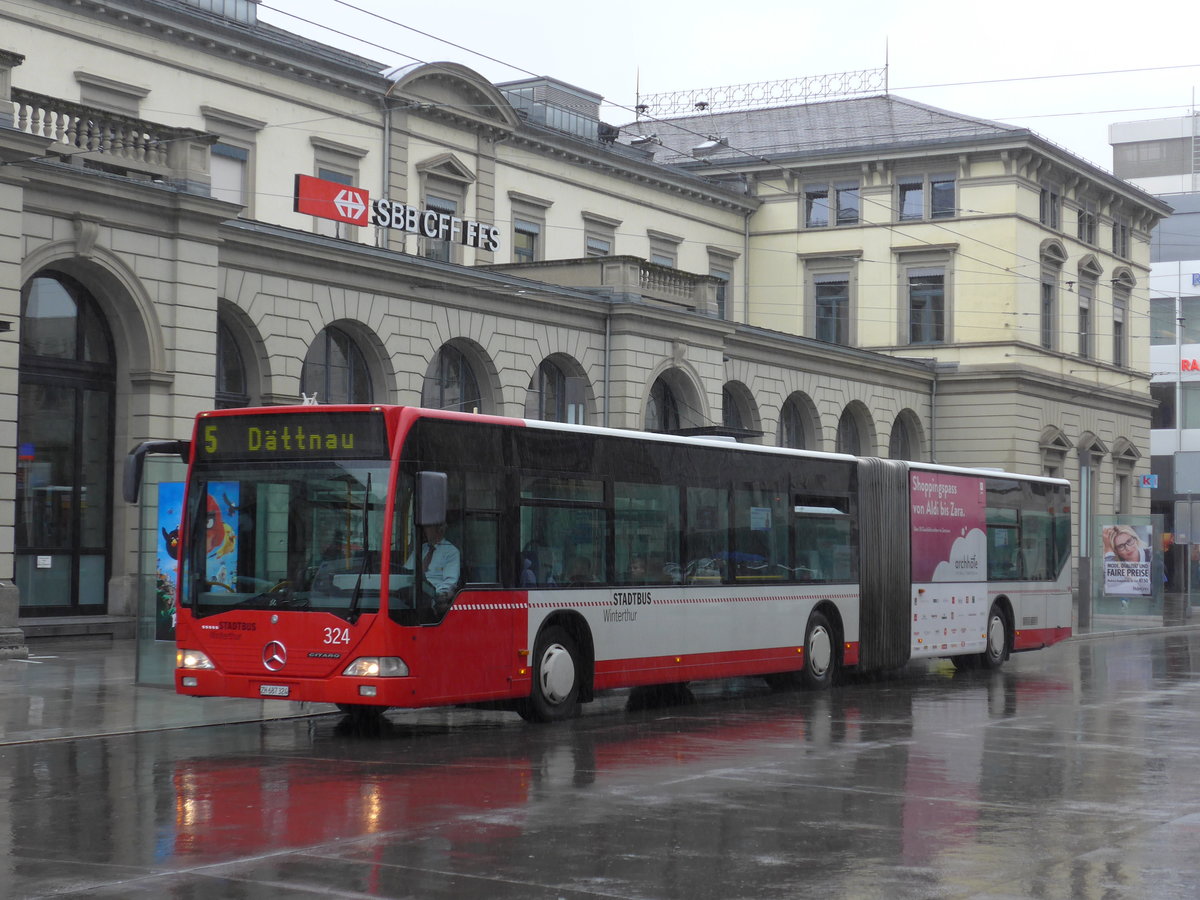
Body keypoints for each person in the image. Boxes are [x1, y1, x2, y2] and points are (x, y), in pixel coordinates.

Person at [406, 522, 460, 610]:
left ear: (440, 529)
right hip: (412, 592)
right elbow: (406, 572)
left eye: (428, 527)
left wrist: (435, 595)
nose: (425, 531)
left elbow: (450, 583)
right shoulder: (421, 549)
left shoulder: (451, 551)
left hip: (433, 598)